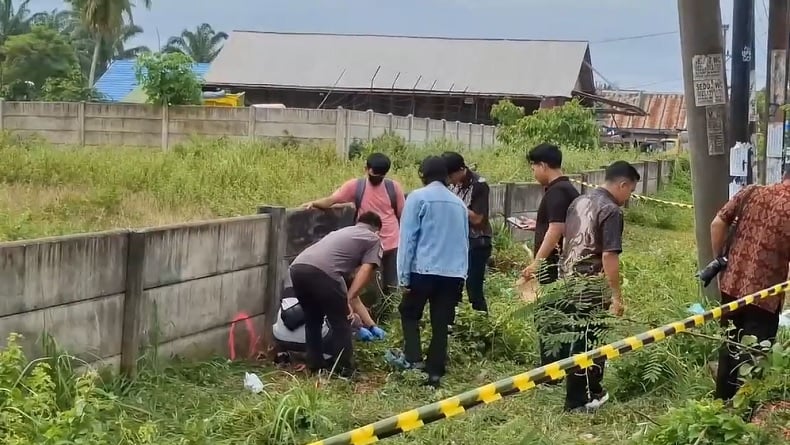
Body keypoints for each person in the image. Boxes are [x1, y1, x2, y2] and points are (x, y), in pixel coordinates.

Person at [559, 160, 638, 412]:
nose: (629, 197)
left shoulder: (578, 202)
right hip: (592, 285)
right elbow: (609, 256)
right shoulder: (611, 210)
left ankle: (591, 391)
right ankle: (578, 399)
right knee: (590, 340)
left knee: (577, 336)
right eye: (630, 190)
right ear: (622, 184)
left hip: (568, 279)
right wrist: (616, 295)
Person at [709, 168, 790, 401]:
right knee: (753, 355)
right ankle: (743, 413)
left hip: (732, 285)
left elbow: (717, 223)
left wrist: (720, 259)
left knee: (728, 346)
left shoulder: (751, 191)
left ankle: (720, 405)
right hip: (765, 296)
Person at [394, 156, 469, 388]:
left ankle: (414, 359)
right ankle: (435, 372)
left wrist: (403, 276)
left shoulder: (417, 197)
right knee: (440, 322)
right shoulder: (459, 204)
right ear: (447, 177)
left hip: (424, 269)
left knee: (409, 312)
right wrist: (462, 275)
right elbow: (464, 242)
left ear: (422, 175)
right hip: (453, 273)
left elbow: (408, 239)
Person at [288, 211, 387, 378]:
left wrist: (371, 325)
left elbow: (354, 297)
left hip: (298, 268)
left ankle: (315, 367)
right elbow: (365, 270)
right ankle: (345, 371)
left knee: (313, 320)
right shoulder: (373, 239)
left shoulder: (343, 235)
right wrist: (346, 300)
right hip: (322, 272)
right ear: (377, 231)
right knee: (340, 323)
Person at [304, 152, 406, 295]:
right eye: (373, 175)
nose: (376, 179)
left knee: (392, 287)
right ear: (366, 169)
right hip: (367, 243)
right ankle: (368, 313)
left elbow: (402, 214)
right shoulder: (356, 186)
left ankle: (387, 314)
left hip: (391, 244)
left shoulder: (394, 188)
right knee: (365, 286)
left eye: (379, 176)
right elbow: (332, 200)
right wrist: (314, 203)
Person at [522, 143, 581, 370]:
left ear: (543, 165)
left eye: (533, 167)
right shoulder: (567, 189)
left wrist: (536, 263)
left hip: (553, 265)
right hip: (564, 263)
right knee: (559, 313)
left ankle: (550, 367)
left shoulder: (556, 191)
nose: (534, 173)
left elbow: (556, 228)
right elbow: (564, 226)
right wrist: (536, 226)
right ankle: (558, 364)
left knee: (549, 315)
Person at [443, 151, 492, 314]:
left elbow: (478, 219)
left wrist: (454, 203)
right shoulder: (450, 185)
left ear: (461, 169)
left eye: (451, 176)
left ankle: (482, 325)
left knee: (474, 287)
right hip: (457, 241)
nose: (449, 180)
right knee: (453, 286)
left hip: (477, 241)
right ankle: (454, 325)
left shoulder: (479, 184)